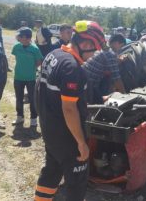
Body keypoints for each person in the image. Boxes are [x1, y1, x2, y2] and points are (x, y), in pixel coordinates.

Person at [34, 20, 105, 201]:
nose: (94, 54)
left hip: (51, 130)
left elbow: (43, 90)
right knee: (77, 182)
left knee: (52, 170)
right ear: (85, 44)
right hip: (68, 136)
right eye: (94, 49)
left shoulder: (53, 54)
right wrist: (81, 143)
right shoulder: (72, 68)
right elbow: (69, 109)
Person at [11, 27, 43, 127]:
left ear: (29, 38)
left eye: (26, 37)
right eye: (21, 37)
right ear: (19, 38)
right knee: (19, 98)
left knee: (32, 99)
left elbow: (39, 62)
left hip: (31, 78)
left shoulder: (35, 49)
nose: (23, 39)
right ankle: (19, 117)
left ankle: (33, 119)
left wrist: (30, 68)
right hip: (18, 77)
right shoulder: (16, 47)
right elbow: (17, 58)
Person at [83, 34, 126, 104]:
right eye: (121, 46)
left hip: (86, 77)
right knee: (95, 106)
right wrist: (124, 95)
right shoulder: (110, 54)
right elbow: (117, 79)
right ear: (116, 43)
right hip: (89, 82)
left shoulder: (104, 50)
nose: (121, 48)